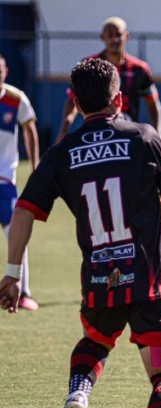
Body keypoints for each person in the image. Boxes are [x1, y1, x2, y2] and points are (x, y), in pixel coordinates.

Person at [0, 58, 161, 408]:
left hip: (101, 281)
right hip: (150, 281)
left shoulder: (61, 153)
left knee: (95, 341)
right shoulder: (143, 137)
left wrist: (14, 273)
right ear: (119, 98)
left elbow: (23, 211)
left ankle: (78, 393)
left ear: (76, 102)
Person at [56, 17, 161, 142]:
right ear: (102, 37)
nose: (115, 39)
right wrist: (65, 126)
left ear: (127, 36)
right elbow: (73, 99)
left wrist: (159, 133)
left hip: (127, 131)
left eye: (118, 34)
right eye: (110, 35)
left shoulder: (139, 69)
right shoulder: (89, 66)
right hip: (96, 130)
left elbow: (153, 103)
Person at [0, 53, 39, 310]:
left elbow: (30, 129)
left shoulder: (16, 98)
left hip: (4, 179)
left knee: (15, 233)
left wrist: (36, 166)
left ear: (6, 70)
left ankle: (23, 292)